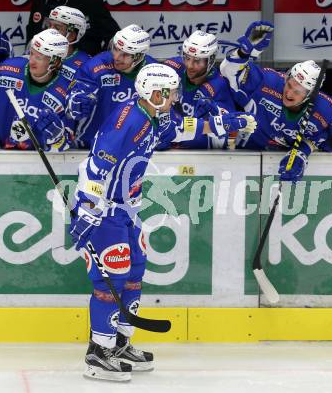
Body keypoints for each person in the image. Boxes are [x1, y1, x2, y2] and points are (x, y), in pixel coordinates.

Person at [68, 63, 255, 381]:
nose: (174, 98)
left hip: (129, 209)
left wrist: (224, 122)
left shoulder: (154, 116)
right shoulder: (127, 121)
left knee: (135, 270)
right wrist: (87, 208)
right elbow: (95, 165)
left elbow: (184, 128)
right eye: (169, 93)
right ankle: (99, 351)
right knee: (110, 278)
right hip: (107, 211)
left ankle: (121, 342)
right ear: (155, 94)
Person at [220, 21, 332, 183]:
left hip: (281, 167)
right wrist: (243, 54)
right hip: (245, 157)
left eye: (297, 92)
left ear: (310, 96)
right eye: (289, 85)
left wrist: (302, 154)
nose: (288, 93)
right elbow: (227, 73)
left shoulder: (324, 109)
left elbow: (321, 138)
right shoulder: (268, 81)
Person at [66, 24, 157, 148]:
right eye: (115, 48)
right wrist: (76, 101)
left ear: (139, 56)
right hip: (89, 146)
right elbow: (75, 94)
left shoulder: (155, 72)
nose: (116, 57)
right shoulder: (96, 66)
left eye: (124, 54)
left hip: (134, 148)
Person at [161, 30, 239, 149]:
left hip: (199, 154)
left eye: (197, 61)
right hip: (168, 143)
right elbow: (158, 103)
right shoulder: (171, 68)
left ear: (210, 61)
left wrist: (217, 114)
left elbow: (228, 129)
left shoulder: (219, 86)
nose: (190, 65)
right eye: (187, 58)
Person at [0, 29, 72, 151]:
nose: (31, 61)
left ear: (56, 61)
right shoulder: (6, 70)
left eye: (39, 57)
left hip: (36, 162)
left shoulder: (66, 92)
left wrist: (58, 138)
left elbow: (66, 144)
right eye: (31, 53)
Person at [26, 0, 120, 56]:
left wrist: (100, 61)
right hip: (48, 65)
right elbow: (32, 31)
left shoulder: (90, 0)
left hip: (84, 68)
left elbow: (114, 37)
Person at [47, 5, 91, 83]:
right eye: (49, 25)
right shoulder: (36, 50)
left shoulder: (87, 65)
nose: (50, 31)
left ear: (72, 36)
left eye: (57, 28)